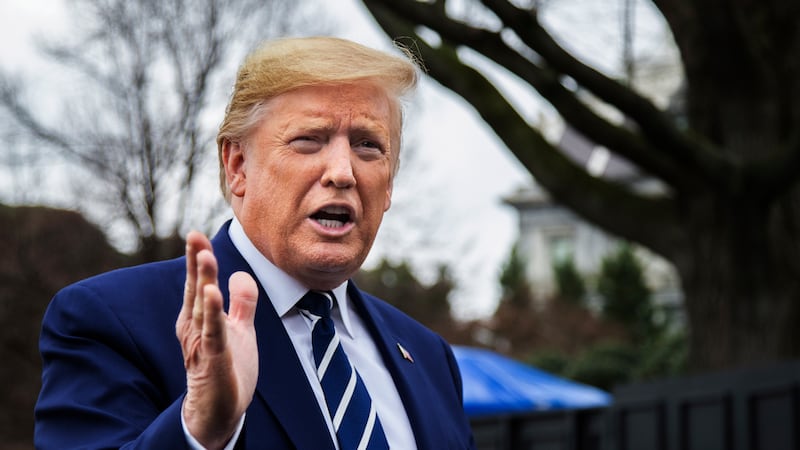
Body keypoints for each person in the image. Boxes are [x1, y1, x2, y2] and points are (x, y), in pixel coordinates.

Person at [34, 36, 476, 449]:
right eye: (309, 141)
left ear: (390, 184)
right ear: (238, 165)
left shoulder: (429, 357)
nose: (342, 172)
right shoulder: (110, 321)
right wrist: (200, 429)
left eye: (367, 146)